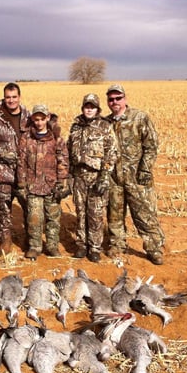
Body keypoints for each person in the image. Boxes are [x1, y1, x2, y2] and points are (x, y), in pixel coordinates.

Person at [105, 84, 165, 265]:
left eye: (118, 98)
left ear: (125, 99)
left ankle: (154, 248)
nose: (114, 102)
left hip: (137, 178)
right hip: (114, 178)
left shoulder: (139, 118)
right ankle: (117, 245)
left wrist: (145, 169)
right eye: (111, 99)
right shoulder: (105, 123)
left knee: (145, 214)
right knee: (114, 214)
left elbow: (151, 145)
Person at [68, 93, 117, 263]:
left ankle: (95, 247)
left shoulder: (105, 126)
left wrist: (104, 176)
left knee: (95, 214)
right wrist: (70, 176)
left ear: (97, 109)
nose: (89, 109)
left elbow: (111, 152)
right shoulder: (75, 127)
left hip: (96, 176)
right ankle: (81, 245)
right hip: (79, 176)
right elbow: (69, 151)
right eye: (86, 106)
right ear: (83, 108)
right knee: (80, 212)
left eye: (92, 106)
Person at [17, 104, 69, 261]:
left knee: (53, 218)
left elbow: (63, 160)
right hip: (33, 186)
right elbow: (21, 162)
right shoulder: (26, 138)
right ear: (32, 119)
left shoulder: (56, 138)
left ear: (47, 118)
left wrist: (61, 182)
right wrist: (21, 184)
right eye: (36, 119)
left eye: (42, 119)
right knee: (34, 217)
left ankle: (52, 246)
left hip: (51, 186)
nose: (39, 122)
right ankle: (35, 246)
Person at [0, 82, 30, 255]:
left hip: (25, 175)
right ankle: (6, 239)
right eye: (8, 97)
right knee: (4, 209)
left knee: (29, 207)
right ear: (4, 98)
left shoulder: (29, 117)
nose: (11, 100)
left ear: (19, 97)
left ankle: (29, 239)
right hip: (4, 174)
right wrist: (5, 153)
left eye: (14, 97)